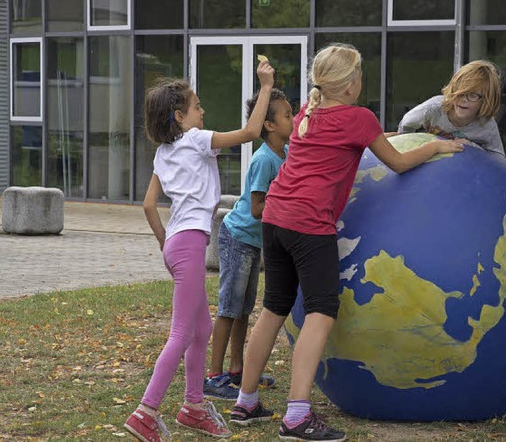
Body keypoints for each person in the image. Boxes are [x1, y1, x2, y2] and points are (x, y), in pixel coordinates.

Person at [229, 43, 464, 441]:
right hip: (308, 226)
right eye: (360, 75)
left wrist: (396, 135)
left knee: (273, 309)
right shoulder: (359, 118)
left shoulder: (308, 112)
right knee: (321, 312)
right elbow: (399, 161)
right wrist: (437, 145)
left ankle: (245, 402)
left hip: (275, 219)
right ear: (353, 84)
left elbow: (368, 140)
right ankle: (297, 416)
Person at [124, 60, 275, 441]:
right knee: (181, 332)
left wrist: (166, 243)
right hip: (190, 242)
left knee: (201, 328)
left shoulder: (163, 152)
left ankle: (193, 406)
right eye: (197, 106)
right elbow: (252, 131)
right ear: (180, 116)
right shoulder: (194, 139)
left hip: (177, 243)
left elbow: (147, 205)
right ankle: (146, 411)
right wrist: (266, 86)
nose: (203, 111)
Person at [204, 88, 294, 400]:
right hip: (238, 236)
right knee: (229, 308)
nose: (292, 119)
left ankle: (237, 370)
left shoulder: (285, 153)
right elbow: (257, 208)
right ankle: (214, 377)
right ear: (269, 125)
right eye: (286, 115)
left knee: (243, 309)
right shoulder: (264, 160)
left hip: (254, 242)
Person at [397, 59, 505, 158]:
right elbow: (406, 125)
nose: (463, 99)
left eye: (472, 95)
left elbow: (499, 159)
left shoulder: (486, 124)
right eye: (460, 92)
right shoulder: (433, 109)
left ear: (485, 100)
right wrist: (410, 150)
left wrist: (472, 147)